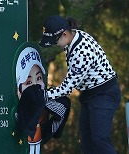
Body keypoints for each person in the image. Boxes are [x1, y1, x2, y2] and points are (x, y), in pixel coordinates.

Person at [39, 15, 121, 154]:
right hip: (89, 94)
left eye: (54, 41)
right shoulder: (73, 37)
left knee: (100, 140)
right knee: (86, 142)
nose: (54, 44)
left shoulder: (82, 52)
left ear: (64, 34)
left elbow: (66, 89)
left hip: (104, 94)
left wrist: (40, 95)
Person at [13, 42, 71, 153]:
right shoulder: (16, 113)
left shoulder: (45, 105)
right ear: (19, 90)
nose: (35, 85)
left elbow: (63, 108)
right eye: (29, 81)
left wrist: (43, 100)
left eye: (38, 78)